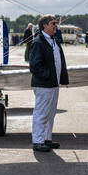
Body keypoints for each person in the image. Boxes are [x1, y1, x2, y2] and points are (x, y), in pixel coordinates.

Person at [29, 15, 69, 152]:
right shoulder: (38, 42)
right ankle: (38, 141)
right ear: (44, 26)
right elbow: (34, 65)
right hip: (44, 85)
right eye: (53, 23)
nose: (55, 26)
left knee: (50, 113)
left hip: (53, 84)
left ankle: (46, 139)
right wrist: (48, 75)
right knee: (41, 112)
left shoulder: (54, 41)